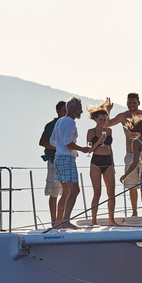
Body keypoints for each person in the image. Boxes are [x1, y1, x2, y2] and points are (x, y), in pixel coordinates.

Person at [107, 93, 142, 217]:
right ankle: (134, 212)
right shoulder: (123, 116)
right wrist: (107, 112)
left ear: (139, 102)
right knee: (131, 185)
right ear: (126, 102)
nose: (131, 105)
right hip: (130, 153)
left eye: (134, 102)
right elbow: (107, 124)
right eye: (129, 102)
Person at [50, 96, 92, 229]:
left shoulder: (59, 121)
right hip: (67, 159)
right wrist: (81, 149)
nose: (80, 111)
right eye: (79, 108)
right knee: (75, 190)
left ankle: (58, 222)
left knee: (66, 191)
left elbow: (53, 141)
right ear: (72, 108)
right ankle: (65, 221)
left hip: (58, 158)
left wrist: (68, 149)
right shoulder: (70, 122)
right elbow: (68, 141)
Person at [86, 100, 117, 226]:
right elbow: (89, 150)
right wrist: (98, 142)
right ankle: (94, 221)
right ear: (95, 119)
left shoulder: (109, 131)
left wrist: (113, 164)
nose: (102, 122)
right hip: (96, 162)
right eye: (100, 120)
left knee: (111, 192)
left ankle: (111, 220)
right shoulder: (91, 132)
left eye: (104, 120)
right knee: (97, 193)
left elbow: (110, 148)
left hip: (108, 161)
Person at [39, 100, 67, 224]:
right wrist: (58, 148)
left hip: (66, 161)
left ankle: (62, 220)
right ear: (58, 111)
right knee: (54, 192)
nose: (66, 113)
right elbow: (42, 142)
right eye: (64, 110)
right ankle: (54, 221)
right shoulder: (51, 125)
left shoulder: (68, 124)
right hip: (53, 161)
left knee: (66, 191)